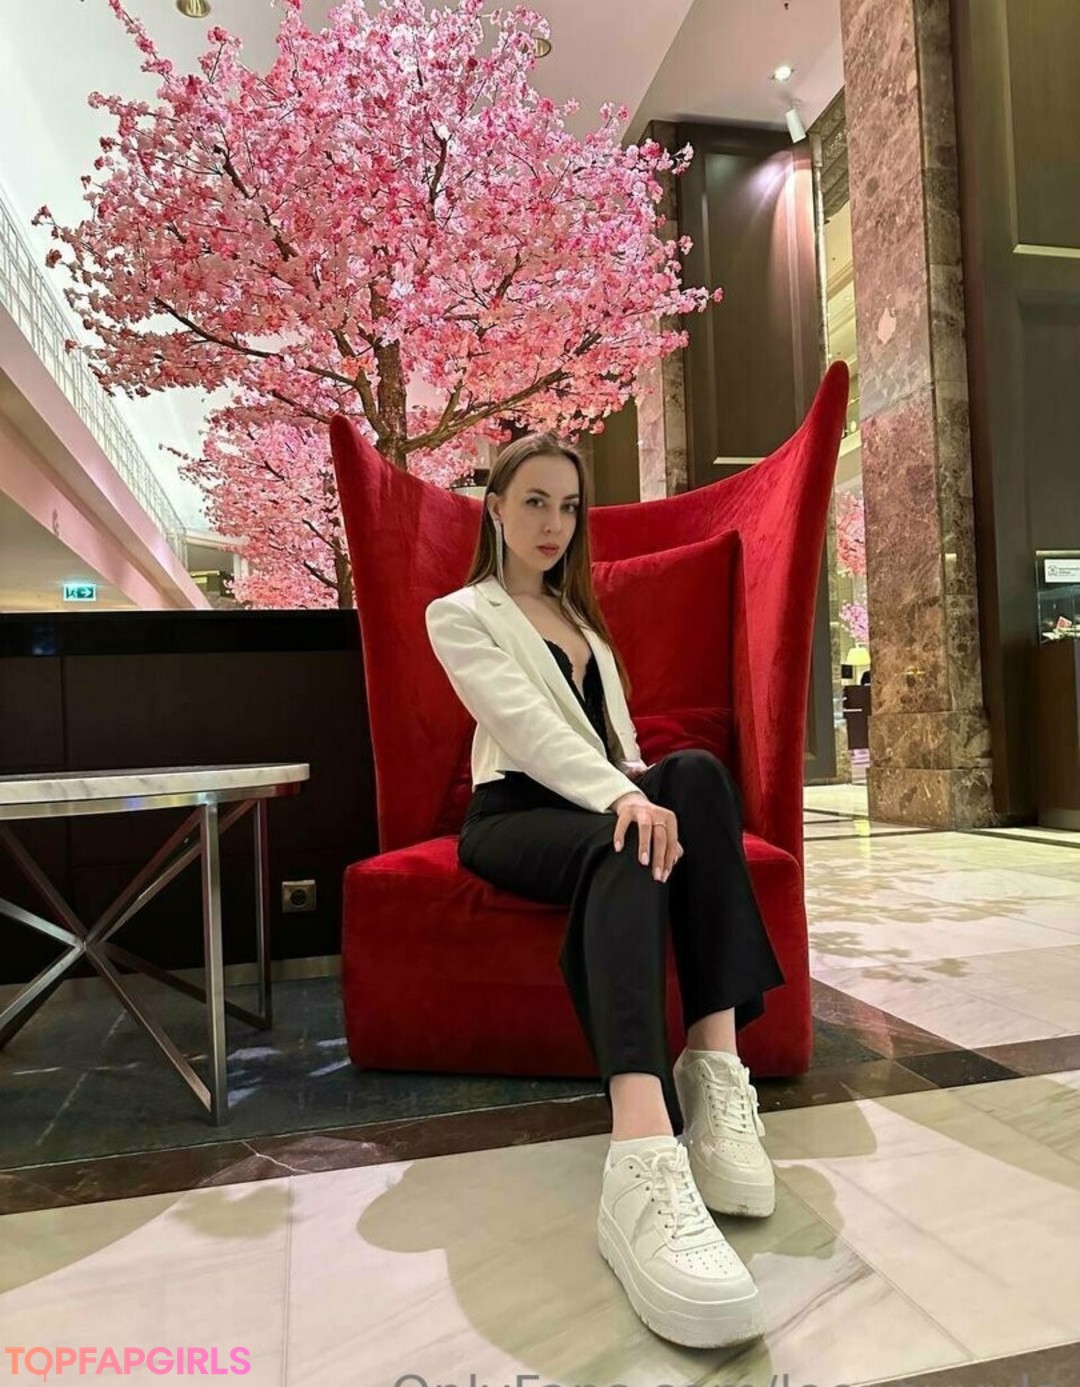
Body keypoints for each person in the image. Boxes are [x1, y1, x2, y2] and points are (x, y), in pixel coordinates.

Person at [425, 432, 786, 1350]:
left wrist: (643, 789)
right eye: (534, 501)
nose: (554, 523)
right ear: (495, 508)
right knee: (630, 834)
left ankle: (713, 1067)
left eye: (569, 506)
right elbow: (525, 727)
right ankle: (640, 1149)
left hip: (602, 794)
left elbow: (621, 747)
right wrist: (625, 798)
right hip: (516, 812)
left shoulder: (583, 623)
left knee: (695, 773)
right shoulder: (460, 613)